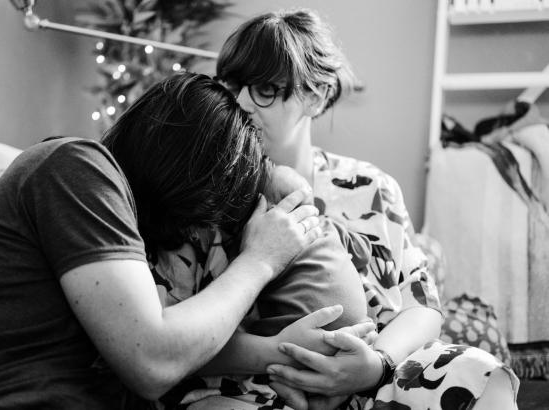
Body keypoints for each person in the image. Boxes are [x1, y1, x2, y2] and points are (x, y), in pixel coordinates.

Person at [0, 73, 326, 409]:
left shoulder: (123, 228)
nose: (197, 232)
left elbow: (178, 341)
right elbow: (154, 359)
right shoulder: (77, 167)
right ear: (185, 170)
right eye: (205, 211)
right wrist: (259, 261)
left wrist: (276, 353)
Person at [214, 8, 519, 410]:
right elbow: (185, 331)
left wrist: (375, 365)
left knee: (479, 372)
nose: (240, 103)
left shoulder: (371, 186)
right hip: (258, 384)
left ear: (315, 96)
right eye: (231, 86)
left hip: (381, 374)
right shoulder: (211, 194)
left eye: (265, 89)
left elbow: (423, 307)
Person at [149, 161, 371, 407]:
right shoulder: (328, 227)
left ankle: (298, 392)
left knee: (258, 330)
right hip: (358, 335)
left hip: (301, 338)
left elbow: (237, 292)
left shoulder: (258, 247)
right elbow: (364, 252)